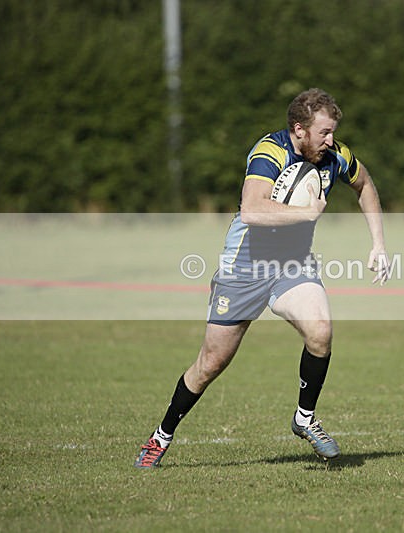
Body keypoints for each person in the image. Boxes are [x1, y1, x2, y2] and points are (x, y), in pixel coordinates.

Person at [135, 88, 390, 468]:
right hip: (245, 267)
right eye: (323, 132)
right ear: (299, 129)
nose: (330, 140)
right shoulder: (270, 152)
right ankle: (161, 436)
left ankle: (304, 418)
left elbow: (365, 184)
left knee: (320, 331)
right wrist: (305, 213)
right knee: (211, 363)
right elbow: (252, 210)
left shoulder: (336, 156)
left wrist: (378, 244)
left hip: (293, 265)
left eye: (333, 132)